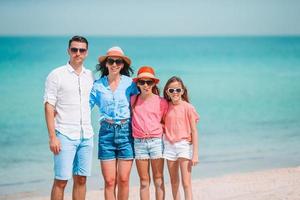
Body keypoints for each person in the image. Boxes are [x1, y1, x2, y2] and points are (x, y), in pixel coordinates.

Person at [44, 35, 94, 200]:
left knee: (81, 179)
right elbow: (49, 105)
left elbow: (92, 101)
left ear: (86, 52)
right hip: (64, 134)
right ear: (68, 51)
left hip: (86, 135)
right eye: (74, 49)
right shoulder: (56, 74)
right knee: (61, 180)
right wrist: (53, 137)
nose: (78, 53)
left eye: (82, 50)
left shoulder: (90, 76)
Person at [90, 46, 138, 200]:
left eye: (118, 61)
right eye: (111, 61)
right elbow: (85, 107)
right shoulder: (97, 85)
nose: (115, 64)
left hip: (126, 133)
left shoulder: (131, 84)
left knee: (123, 180)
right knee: (110, 181)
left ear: (123, 65)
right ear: (106, 63)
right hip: (106, 134)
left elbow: (143, 102)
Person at [131, 66, 168, 200]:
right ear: (138, 84)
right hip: (139, 143)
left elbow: (166, 121)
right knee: (144, 181)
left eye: (149, 82)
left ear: (154, 83)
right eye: (142, 82)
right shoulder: (133, 100)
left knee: (158, 179)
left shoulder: (161, 101)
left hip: (156, 142)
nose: (145, 85)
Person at [163, 76, 199, 200]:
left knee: (186, 183)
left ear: (182, 91)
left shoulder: (188, 107)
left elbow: (194, 131)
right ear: (167, 92)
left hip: (184, 145)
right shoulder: (165, 107)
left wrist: (195, 154)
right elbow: (161, 123)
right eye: (171, 90)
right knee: (174, 182)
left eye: (177, 90)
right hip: (169, 146)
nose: (175, 93)